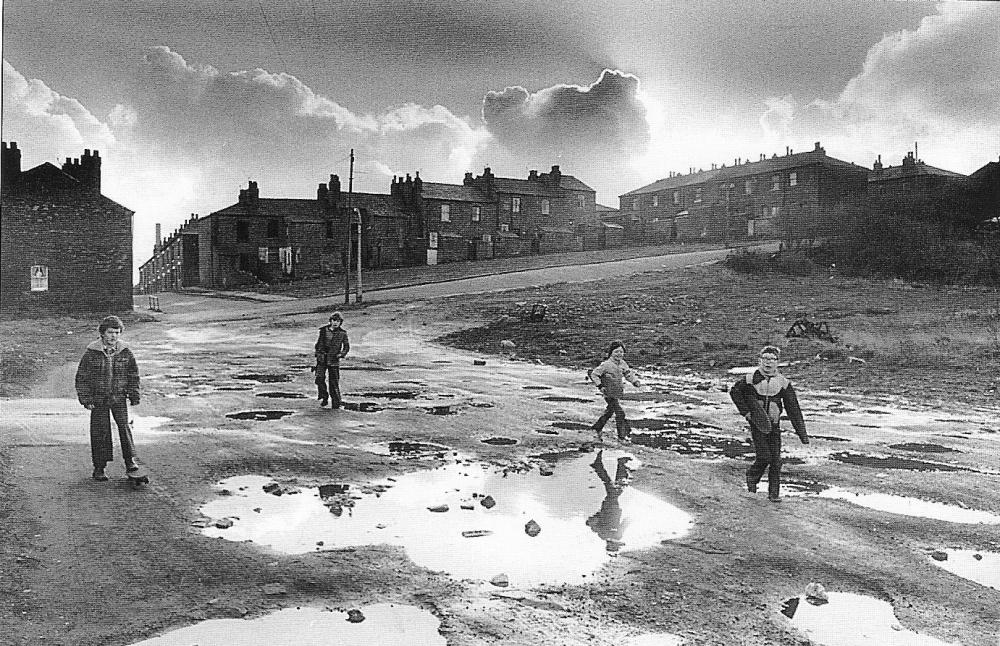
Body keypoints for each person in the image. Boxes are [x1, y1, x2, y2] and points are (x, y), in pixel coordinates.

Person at [729, 345, 809, 502]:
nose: (768, 362)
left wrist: (802, 434)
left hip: (774, 425)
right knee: (765, 456)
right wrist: (746, 412)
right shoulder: (749, 379)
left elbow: (793, 408)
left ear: (777, 362)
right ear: (760, 360)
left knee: (776, 460)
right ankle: (752, 477)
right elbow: (735, 392)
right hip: (757, 424)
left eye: (772, 359)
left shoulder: (783, 383)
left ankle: (774, 494)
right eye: (765, 358)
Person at [75, 315, 141, 481]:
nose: (114, 336)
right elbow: (82, 378)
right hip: (98, 399)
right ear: (102, 334)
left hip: (119, 397)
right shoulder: (91, 353)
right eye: (111, 332)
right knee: (100, 432)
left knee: (124, 428)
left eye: (117, 333)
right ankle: (99, 468)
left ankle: (130, 461)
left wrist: (133, 394)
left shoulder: (125, 352)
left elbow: (133, 374)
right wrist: (86, 399)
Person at [589, 341, 642, 443]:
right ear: (611, 353)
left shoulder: (623, 364)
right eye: (616, 352)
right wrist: (600, 386)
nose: (619, 354)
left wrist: (635, 381)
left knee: (609, 412)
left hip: (617, 392)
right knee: (620, 413)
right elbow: (594, 374)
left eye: (621, 352)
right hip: (608, 392)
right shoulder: (606, 365)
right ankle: (621, 437)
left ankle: (597, 428)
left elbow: (628, 374)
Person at [586, 450, 632, 552]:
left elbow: (626, 523)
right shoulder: (602, 535)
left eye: (616, 546)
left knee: (617, 487)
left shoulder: (616, 536)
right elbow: (592, 523)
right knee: (613, 486)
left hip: (612, 509)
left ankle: (616, 465)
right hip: (607, 508)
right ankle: (613, 465)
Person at [314, 312, 350, 408]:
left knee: (333, 382)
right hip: (322, 358)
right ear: (330, 321)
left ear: (340, 323)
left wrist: (341, 354)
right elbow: (318, 343)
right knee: (319, 378)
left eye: (338, 321)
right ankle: (324, 396)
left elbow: (346, 347)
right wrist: (318, 353)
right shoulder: (323, 330)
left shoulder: (342, 333)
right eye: (333, 320)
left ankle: (336, 403)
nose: (335, 323)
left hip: (334, 359)